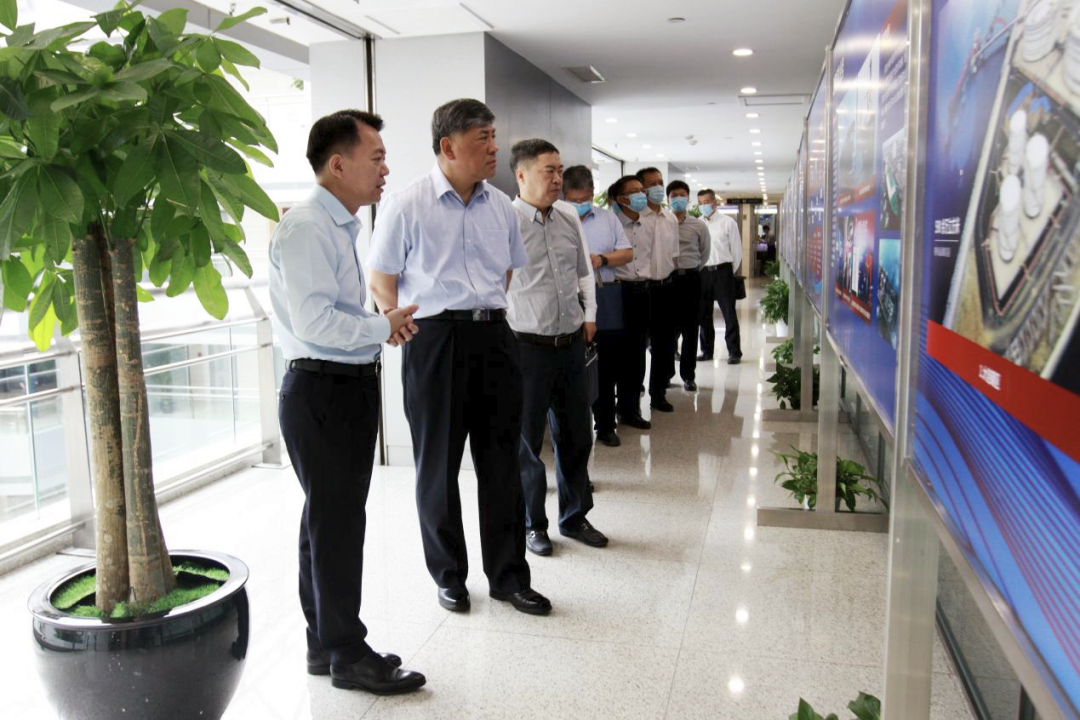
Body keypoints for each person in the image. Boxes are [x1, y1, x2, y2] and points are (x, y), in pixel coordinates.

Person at [367, 98, 551, 617]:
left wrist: (481, 312)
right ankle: (449, 576)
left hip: (494, 335)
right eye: (482, 139)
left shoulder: (501, 206)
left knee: (502, 464)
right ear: (448, 146)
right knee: (437, 466)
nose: (494, 148)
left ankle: (509, 577)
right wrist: (398, 320)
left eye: (494, 136)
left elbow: (506, 273)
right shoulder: (407, 204)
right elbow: (381, 277)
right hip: (434, 340)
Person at [269, 110, 425, 695]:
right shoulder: (310, 226)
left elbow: (332, 314)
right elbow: (314, 322)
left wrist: (378, 327)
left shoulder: (336, 226)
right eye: (376, 158)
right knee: (336, 527)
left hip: (336, 385)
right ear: (338, 164)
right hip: (323, 391)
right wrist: (380, 326)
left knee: (325, 521)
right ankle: (347, 653)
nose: (385, 169)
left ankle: (324, 642)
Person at [506, 140, 609, 557]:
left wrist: (589, 315)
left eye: (559, 170)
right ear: (521, 175)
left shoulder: (568, 217)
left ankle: (575, 516)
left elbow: (583, 273)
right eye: (548, 170)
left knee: (577, 435)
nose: (557, 179)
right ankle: (533, 524)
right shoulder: (505, 222)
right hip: (525, 347)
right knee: (527, 445)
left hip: (569, 345)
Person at [563, 166, 633, 447]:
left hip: (604, 297)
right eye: (574, 200)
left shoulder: (608, 219)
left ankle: (605, 424)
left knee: (606, 366)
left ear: (593, 194)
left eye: (584, 199)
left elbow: (627, 253)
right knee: (572, 368)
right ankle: (571, 430)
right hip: (567, 301)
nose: (580, 204)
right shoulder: (558, 218)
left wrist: (602, 259)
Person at [609, 175, 653, 430]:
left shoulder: (649, 224)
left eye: (642, 190)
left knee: (637, 352)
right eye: (635, 191)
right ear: (621, 198)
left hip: (642, 291)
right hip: (617, 292)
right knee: (614, 353)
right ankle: (609, 410)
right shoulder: (611, 223)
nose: (641, 195)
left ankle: (631, 409)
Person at [635, 167, 680, 411]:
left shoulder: (670, 219)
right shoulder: (635, 218)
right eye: (652, 183)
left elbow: (673, 255)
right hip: (640, 289)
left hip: (665, 288)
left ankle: (658, 393)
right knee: (637, 345)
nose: (658, 187)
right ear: (641, 188)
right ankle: (633, 393)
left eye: (660, 182)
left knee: (664, 345)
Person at [667, 180, 710, 391]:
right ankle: (665, 374)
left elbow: (705, 252)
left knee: (691, 330)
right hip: (667, 281)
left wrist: (691, 268)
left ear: (688, 198)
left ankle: (688, 376)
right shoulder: (661, 223)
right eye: (674, 195)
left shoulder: (698, 225)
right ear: (668, 199)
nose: (678, 199)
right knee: (666, 330)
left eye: (682, 195)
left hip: (691, 280)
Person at [696, 189, 743, 364]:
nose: (703, 205)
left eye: (706, 202)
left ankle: (734, 352)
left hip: (723, 272)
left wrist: (728, 272)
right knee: (704, 315)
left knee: (729, 313)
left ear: (714, 202)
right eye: (700, 203)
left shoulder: (728, 223)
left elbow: (737, 252)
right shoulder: (697, 223)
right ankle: (706, 351)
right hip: (703, 273)